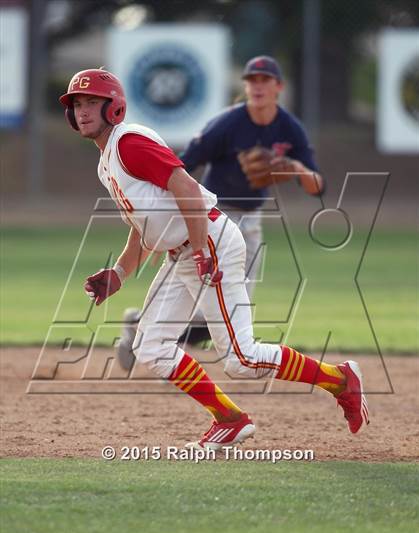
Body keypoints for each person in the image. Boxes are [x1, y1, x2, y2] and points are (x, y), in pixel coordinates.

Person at [59, 68, 369, 450]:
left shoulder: (128, 144)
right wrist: (120, 273)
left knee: (242, 358)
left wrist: (203, 248)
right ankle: (230, 419)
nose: (84, 110)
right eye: (77, 104)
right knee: (151, 346)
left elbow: (187, 188)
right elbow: (145, 226)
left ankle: (340, 379)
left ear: (114, 107)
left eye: (92, 102)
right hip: (185, 251)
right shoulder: (107, 160)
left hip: (209, 242)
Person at [117, 55, 324, 367]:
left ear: (278, 87)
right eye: (251, 79)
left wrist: (294, 168)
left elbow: (317, 187)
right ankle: (150, 336)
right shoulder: (228, 124)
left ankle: (140, 327)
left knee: (227, 313)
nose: (257, 85)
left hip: (250, 224)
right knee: (221, 311)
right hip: (214, 221)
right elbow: (184, 164)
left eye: (264, 79)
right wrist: (164, 224)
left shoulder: (289, 129)